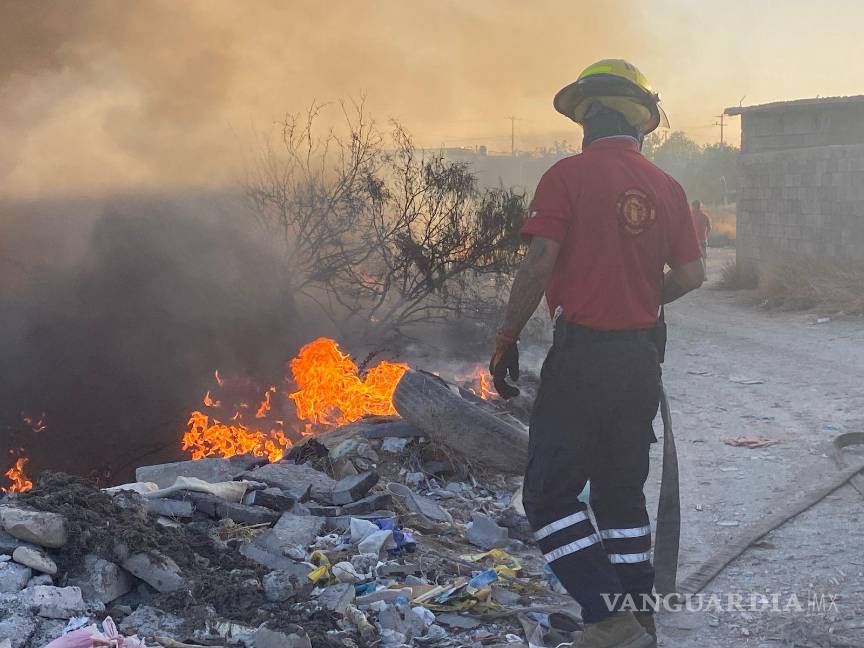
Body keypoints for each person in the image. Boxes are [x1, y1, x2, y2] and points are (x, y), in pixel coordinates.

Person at [489, 59, 705, 648]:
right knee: (618, 494)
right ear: (639, 126)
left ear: (587, 119)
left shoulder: (566, 176)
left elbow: (538, 263)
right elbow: (691, 273)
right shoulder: (668, 187)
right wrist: (641, 296)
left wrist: (506, 340)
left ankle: (607, 621)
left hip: (582, 358)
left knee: (549, 495)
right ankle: (639, 620)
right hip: (639, 363)